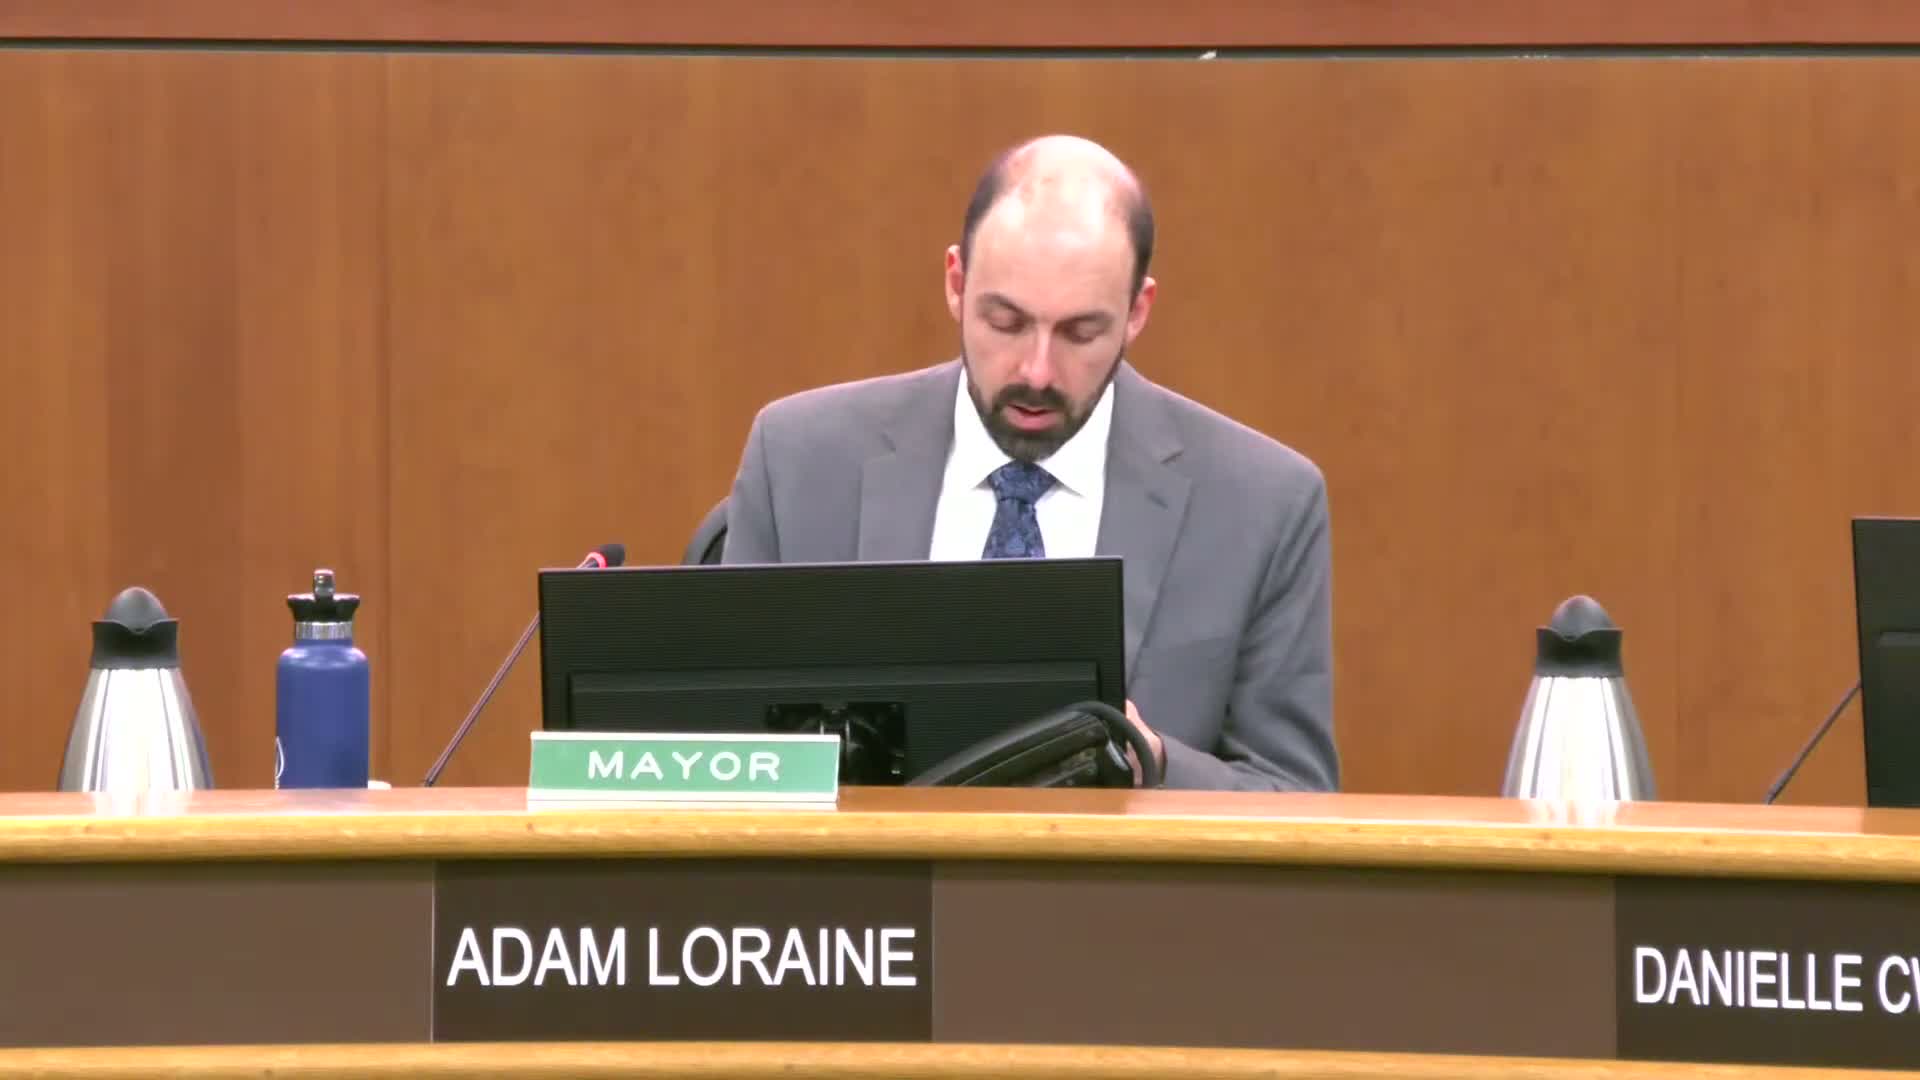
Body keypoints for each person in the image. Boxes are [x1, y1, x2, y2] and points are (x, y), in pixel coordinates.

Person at [720, 134, 1336, 791]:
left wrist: (1150, 759)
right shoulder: (801, 463)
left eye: (1080, 333)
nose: (1037, 373)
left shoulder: (1262, 505)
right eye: (1006, 323)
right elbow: (719, 754)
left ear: (1137, 312)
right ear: (956, 284)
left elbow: (1294, 797)